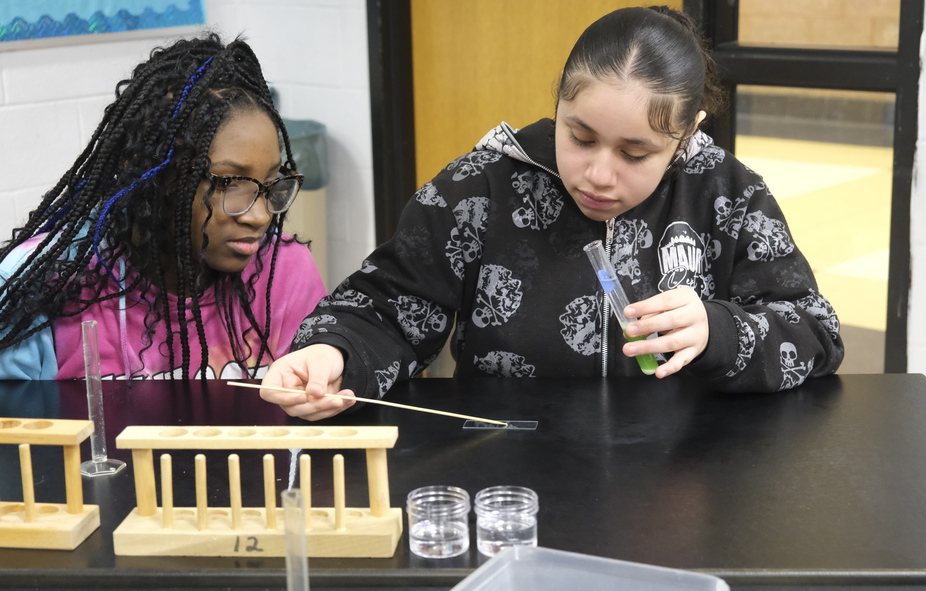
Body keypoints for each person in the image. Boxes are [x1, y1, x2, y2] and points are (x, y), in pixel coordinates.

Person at [261, 5, 844, 420]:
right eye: (581, 136)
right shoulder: (482, 187)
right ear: (559, 101)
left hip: (680, 489)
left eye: (635, 153)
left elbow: (815, 331)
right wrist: (333, 351)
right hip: (509, 480)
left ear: (686, 134)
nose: (598, 174)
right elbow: (388, 308)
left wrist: (720, 330)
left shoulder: (725, 194)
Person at [0, 35, 327, 380]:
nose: (260, 216)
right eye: (230, 183)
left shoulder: (284, 272)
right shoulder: (42, 285)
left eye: (271, 183)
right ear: (156, 177)